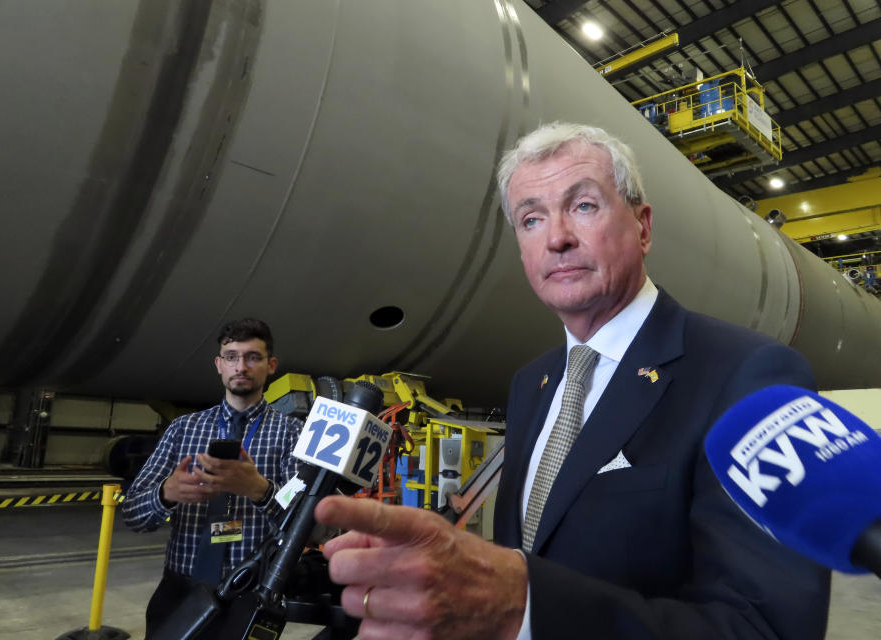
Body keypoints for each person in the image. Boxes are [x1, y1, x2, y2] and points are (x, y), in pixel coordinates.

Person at [314, 122, 830, 639]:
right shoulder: (530, 384)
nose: (557, 238)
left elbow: (766, 628)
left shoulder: (750, 374)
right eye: (531, 219)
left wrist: (522, 606)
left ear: (643, 226)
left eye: (583, 206)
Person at [122, 318, 302, 636]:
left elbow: (305, 525)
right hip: (179, 590)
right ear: (219, 365)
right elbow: (133, 515)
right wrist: (166, 493)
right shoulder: (183, 429)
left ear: (271, 365)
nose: (241, 366)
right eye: (231, 356)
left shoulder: (292, 435)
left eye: (253, 357)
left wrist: (259, 490)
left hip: (249, 595)